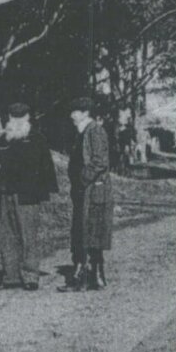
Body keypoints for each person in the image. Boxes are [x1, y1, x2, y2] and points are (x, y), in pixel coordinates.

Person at [0, 102, 58, 289]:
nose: (16, 121)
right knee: (7, 236)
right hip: (5, 193)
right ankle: (10, 276)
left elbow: (46, 167)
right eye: (13, 118)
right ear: (9, 119)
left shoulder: (36, 139)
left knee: (28, 235)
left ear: (27, 118)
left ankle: (30, 276)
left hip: (27, 195)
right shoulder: (3, 140)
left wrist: (42, 192)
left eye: (20, 118)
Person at [63, 95, 115, 291]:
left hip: (92, 191)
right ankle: (91, 277)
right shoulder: (83, 132)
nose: (71, 115)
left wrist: (83, 179)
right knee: (85, 231)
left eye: (75, 112)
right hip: (84, 190)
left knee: (90, 232)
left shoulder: (94, 131)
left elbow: (100, 161)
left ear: (85, 113)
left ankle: (87, 277)